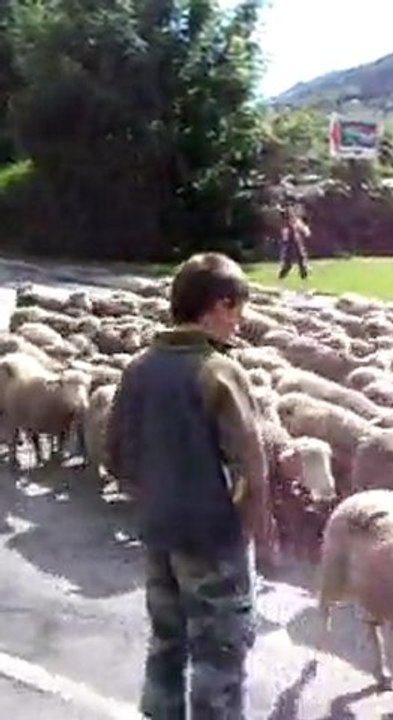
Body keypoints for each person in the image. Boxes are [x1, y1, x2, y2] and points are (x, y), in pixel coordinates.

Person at [103, 253, 283, 719]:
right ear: (219, 306)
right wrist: (253, 531)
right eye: (238, 309)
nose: (240, 322)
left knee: (166, 641)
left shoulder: (139, 367)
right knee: (219, 654)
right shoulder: (219, 370)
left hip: (158, 532)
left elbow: (116, 454)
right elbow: (250, 465)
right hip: (211, 539)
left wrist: (153, 498)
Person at [278, 205, 311, 281]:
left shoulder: (294, 220)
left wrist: (306, 231)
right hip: (290, 240)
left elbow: (300, 226)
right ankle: (283, 273)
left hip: (295, 240)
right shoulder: (285, 222)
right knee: (288, 259)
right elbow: (286, 230)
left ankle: (304, 274)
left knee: (300, 257)